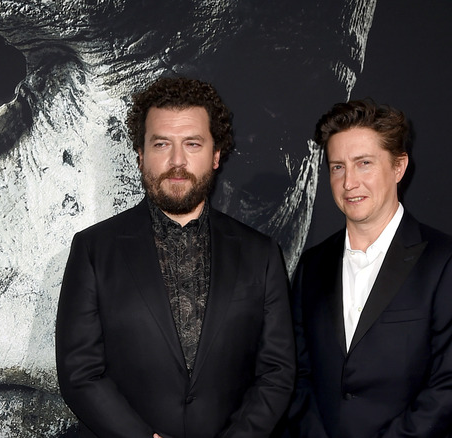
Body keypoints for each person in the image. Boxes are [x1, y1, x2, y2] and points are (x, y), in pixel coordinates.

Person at [55, 76, 295, 438]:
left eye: (193, 144)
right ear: (141, 155)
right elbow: (80, 373)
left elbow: (277, 372)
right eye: (162, 143)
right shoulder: (93, 249)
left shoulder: (261, 253)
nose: (177, 160)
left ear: (216, 155)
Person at [288, 99, 452, 437]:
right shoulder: (311, 265)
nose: (349, 182)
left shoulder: (450, 262)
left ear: (398, 167)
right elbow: (297, 374)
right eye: (337, 166)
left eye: (363, 163)